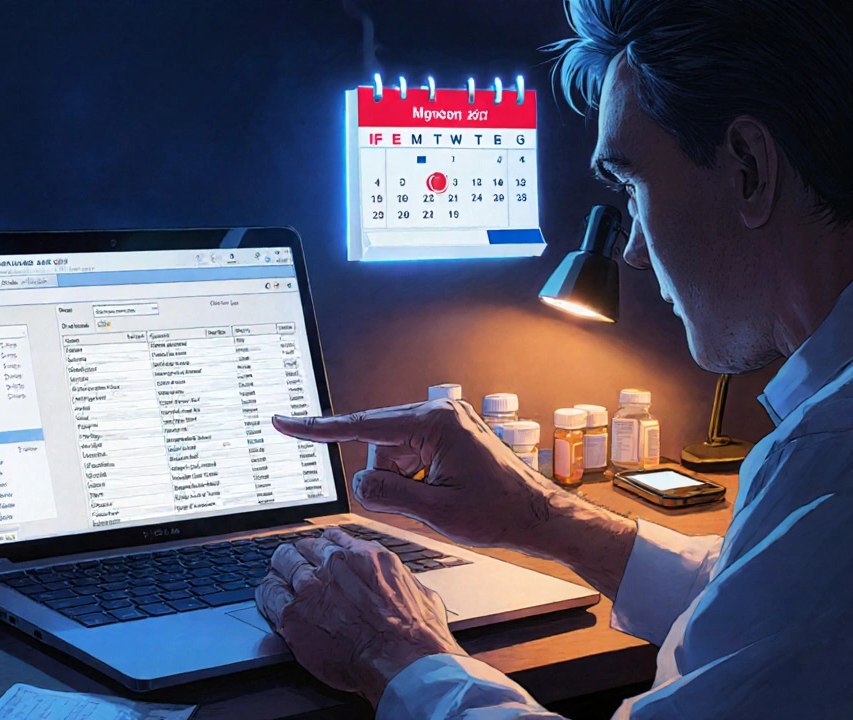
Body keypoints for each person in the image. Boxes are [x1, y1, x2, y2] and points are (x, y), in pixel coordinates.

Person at [254, 0, 853, 717]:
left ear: (749, 168)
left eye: (632, 186)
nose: (631, 250)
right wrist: (542, 518)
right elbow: (773, 609)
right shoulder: (824, 456)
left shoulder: (831, 462)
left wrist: (392, 651)